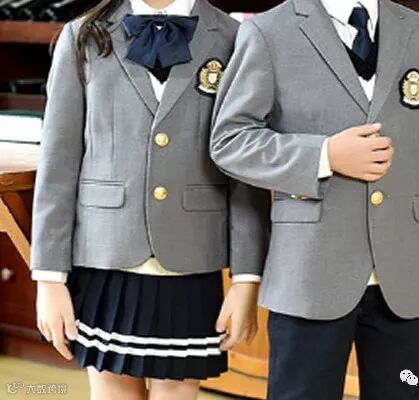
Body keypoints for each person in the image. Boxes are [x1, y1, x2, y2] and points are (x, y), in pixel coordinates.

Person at [210, 0, 419, 399]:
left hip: (406, 277)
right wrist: (324, 155)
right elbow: (230, 141)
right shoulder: (267, 31)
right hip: (308, 274)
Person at [30, 0, 270, 399]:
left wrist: (247, 280)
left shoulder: (235, 37)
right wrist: (49, 278)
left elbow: (246, 169)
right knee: (112, 388)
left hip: (193, 259)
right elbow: (58, 165)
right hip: (104, 256)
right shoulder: (82, 35)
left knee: (177, 389)